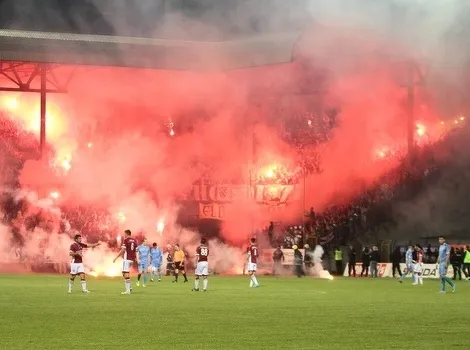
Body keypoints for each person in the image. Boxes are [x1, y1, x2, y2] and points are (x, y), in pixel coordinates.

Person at [113, 229, 137, 295]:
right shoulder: (135, 240)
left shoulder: (126, 240)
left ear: (126, 234)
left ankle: (127, 291)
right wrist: (137, 259)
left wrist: (116, 257)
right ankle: (129, 287)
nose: (124, 235)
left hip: (126, 259)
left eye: (124, 234)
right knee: (124, 273)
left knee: (126, 274)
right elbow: (136, 250)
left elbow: (123, 250)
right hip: (132, 259)